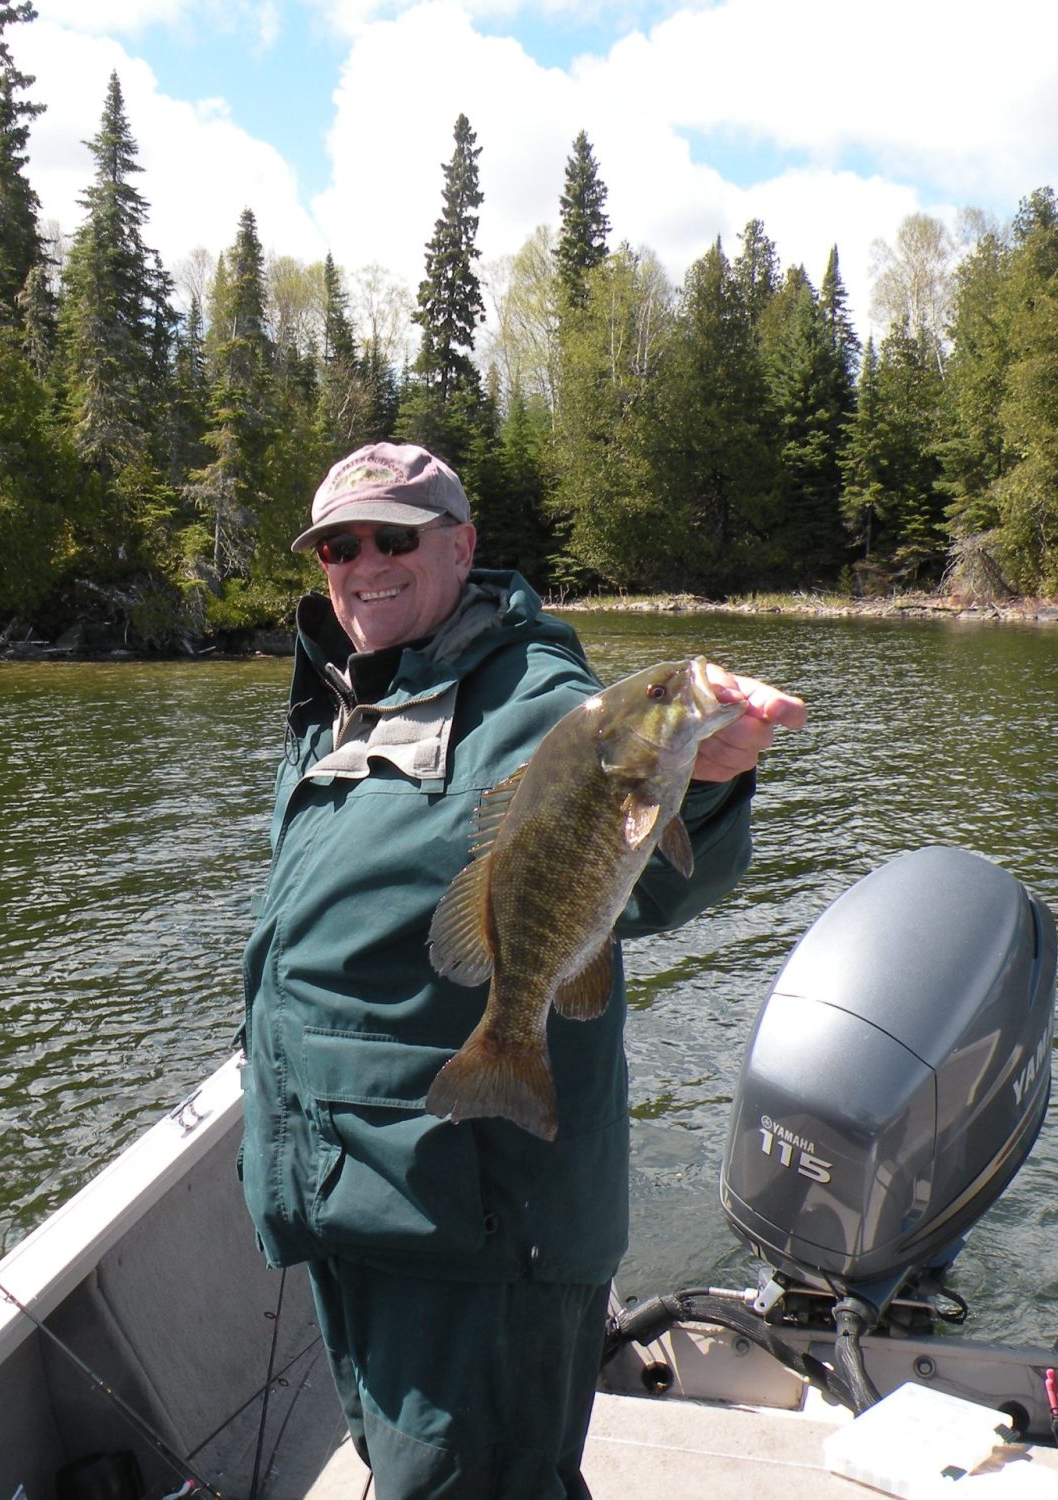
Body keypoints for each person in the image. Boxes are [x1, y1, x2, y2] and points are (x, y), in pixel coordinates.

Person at [238, 442, 806, 1498]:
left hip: (471, 1215)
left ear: (460, 547)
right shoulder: (343, 695)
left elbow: (651, 884)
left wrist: (707, 781)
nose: (360, 562)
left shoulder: (541, 702)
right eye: (336, 544)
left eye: (392, 538)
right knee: (397, 1463)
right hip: (350, 1189)